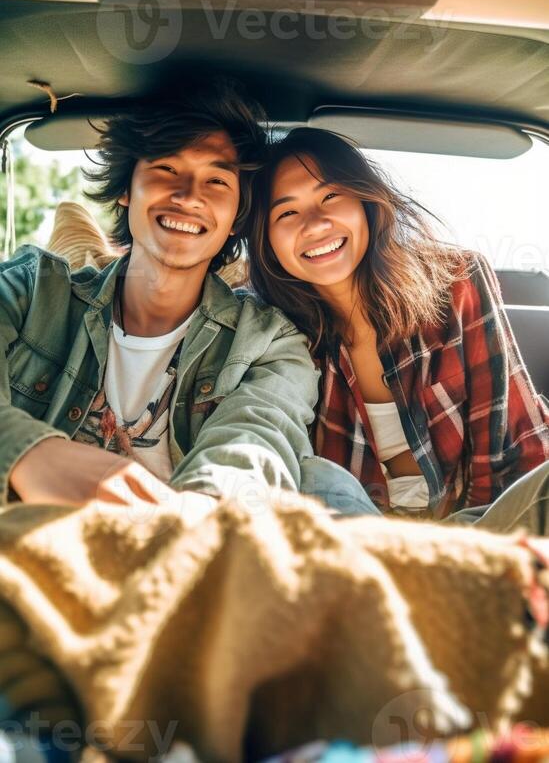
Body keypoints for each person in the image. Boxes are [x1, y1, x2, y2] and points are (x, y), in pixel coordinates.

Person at [0, 80, 321, 527]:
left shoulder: (270, 343)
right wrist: (29, 453)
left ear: (235, 218)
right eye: (167, 168)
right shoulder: (32, 291)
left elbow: (260, 437)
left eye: (216, 180)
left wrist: (198, 514)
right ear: (126, 189)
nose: (190, 196)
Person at [247, 126, 549, 532]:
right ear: (266, 240)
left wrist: (477, 557)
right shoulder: (273, 332)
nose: (315, 223)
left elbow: (513, 442)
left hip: (481, 528)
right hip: (358, 543)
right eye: (287, 212)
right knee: (317, 479)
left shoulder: (457, 282)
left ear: (365, 201)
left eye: (331, 196)